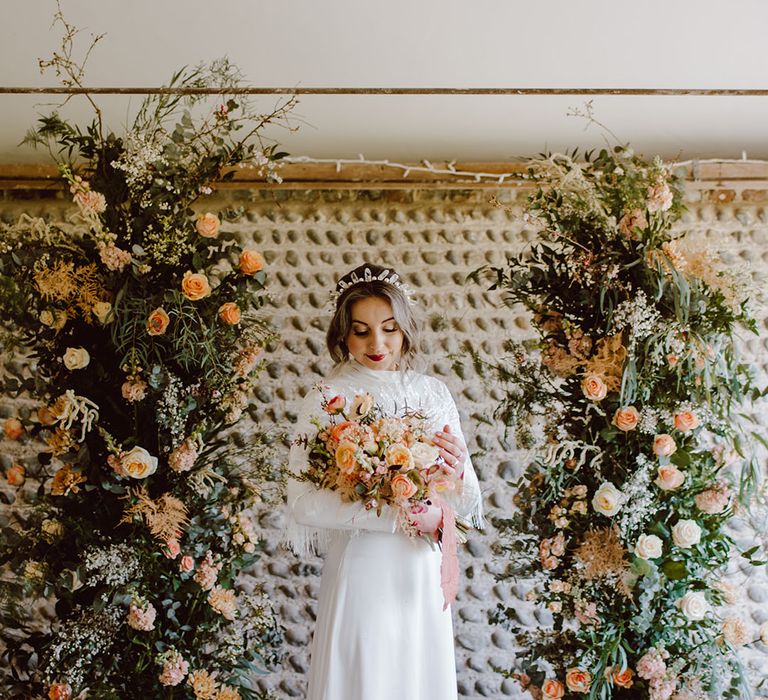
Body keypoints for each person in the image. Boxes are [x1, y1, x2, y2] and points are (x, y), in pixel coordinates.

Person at [285, 263, 483, 700]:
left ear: (406, 329)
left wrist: (452, 482)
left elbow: (470, 498)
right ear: (343, 335)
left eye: (390, 329)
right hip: (362, 568)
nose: (377, 344)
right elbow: (302, 503)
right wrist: (396, 516)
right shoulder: (325, 399)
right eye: (361, 331)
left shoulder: (434, 394)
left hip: (419, 573)